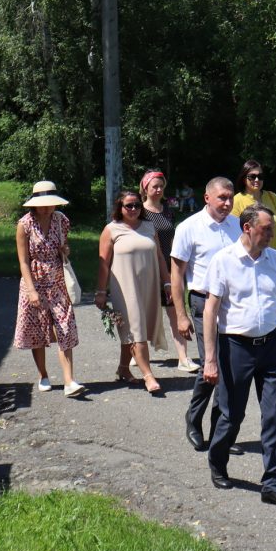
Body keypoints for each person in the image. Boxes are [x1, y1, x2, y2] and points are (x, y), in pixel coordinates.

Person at [202, 203, 276, 510]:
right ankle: (217, 460)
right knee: (232, 415)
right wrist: (210, 358)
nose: (271, 234)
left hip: (270, 347)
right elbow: (210, 311)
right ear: (247, 228)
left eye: (272, 229)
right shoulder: (224, 261)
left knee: (273, 416)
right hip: (236, 348)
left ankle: (273, 483)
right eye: (266, 229)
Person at [170, 177, 243, 453]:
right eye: (222, 197)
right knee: (212, 367)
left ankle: (219, 433)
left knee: (229, 368)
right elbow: (176, 274)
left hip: (233, 304)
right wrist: (181, 315)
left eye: (230, 197)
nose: (227, 203)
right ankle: (194, 418)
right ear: (207, 198)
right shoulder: (189, 228)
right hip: (202, 303)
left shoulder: (238, 226)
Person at [14, 180, 84, 398]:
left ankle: (69, 380)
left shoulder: (62, 220)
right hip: (33, 280)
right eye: (43, 203)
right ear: (34, 203)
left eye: (50, 203)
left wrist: (65, 250)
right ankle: (43, 374)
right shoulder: (24, 224)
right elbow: (24, 261)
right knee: (37, 329)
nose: (47, 207)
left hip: (57, 280)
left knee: (65, 326)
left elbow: (62, 249)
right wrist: (32, 291)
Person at [95, 189, 170, 395]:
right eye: (129, 205)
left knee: (138, 327)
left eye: (137, 204)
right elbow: (103, 264)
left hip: (149, 286)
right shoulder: (111, 229)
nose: (134, 209)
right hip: (124, 287)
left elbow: (161, 257)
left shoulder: (148, 226)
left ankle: (123, 369)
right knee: (136, 329)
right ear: (120, 207)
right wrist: (101, 291)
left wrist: (167, 283)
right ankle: (148, 375)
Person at [139, 169, 199, 373]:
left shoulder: (167, 210)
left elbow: (173, 238)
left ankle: (183, 357)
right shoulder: (138, 211)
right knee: (146, 313)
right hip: (147, 266)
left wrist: (180, 263)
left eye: (161, 186)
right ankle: (136, 353)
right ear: (145, 187)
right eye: (154, 186)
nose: (158, 190)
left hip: (169, 264)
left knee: (176, 311)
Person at [230, 159, 276, 269]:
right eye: (252, 176)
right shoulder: (236, 201)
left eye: (260, 176)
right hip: (253, 260)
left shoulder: (272, 197)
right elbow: (234, 235)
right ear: (244, 178)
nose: (257, 180)